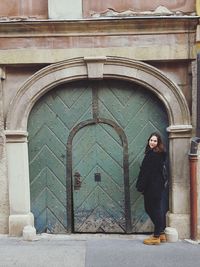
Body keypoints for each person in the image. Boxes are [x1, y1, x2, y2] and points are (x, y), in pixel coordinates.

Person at [136, 132, 168, 245]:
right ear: (148, 141)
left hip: (152, 187)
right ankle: (161, 233)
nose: (152, 142)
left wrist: (141, 187)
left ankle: (156, 236)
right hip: (156, 186)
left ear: (158, 143)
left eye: (155, 141)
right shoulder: (156, 154)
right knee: (156, 209)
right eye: (151, 140)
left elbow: (147, 173)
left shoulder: (153, 155)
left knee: (151, 209)